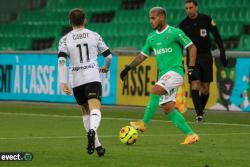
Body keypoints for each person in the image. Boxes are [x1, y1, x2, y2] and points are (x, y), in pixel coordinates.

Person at [120, 7, 199, 144]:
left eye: (153, 18)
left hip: (175, 71)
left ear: (162, 17)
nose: (151, 21)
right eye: (150, 18)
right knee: (168, 108)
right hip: (164, 74)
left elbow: (192, 47)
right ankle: (191, 135)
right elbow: (142, 56)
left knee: (155, 90)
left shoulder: (175, 32)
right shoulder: (151, 37)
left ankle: (143, 123)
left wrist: (191, 68)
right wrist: (128, 68)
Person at [57, 8, 112, 156]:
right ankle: (93, 131)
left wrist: (63, 82)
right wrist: (106, 68)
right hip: (92, 76)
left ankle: (98, 145)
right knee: (95, 109)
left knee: (85, 112)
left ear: (70, 22)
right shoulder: (94, 35)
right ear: (85, 20)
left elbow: (61, 61)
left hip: (76, 80)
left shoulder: (65, 39)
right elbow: (108, 56)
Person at [179, 0, 228, 123]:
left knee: (205, 88)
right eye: (186, 8)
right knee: (195, 84)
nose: (188, 10)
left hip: (206, 57)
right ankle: (199, 115)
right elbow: (179, 44)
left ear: (196, 7)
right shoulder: (183, 25)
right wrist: (179, 60)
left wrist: (223, 53)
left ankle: (200, 110)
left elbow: (217, 36)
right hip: (192, 58)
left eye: (191, 7)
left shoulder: (206, 19)